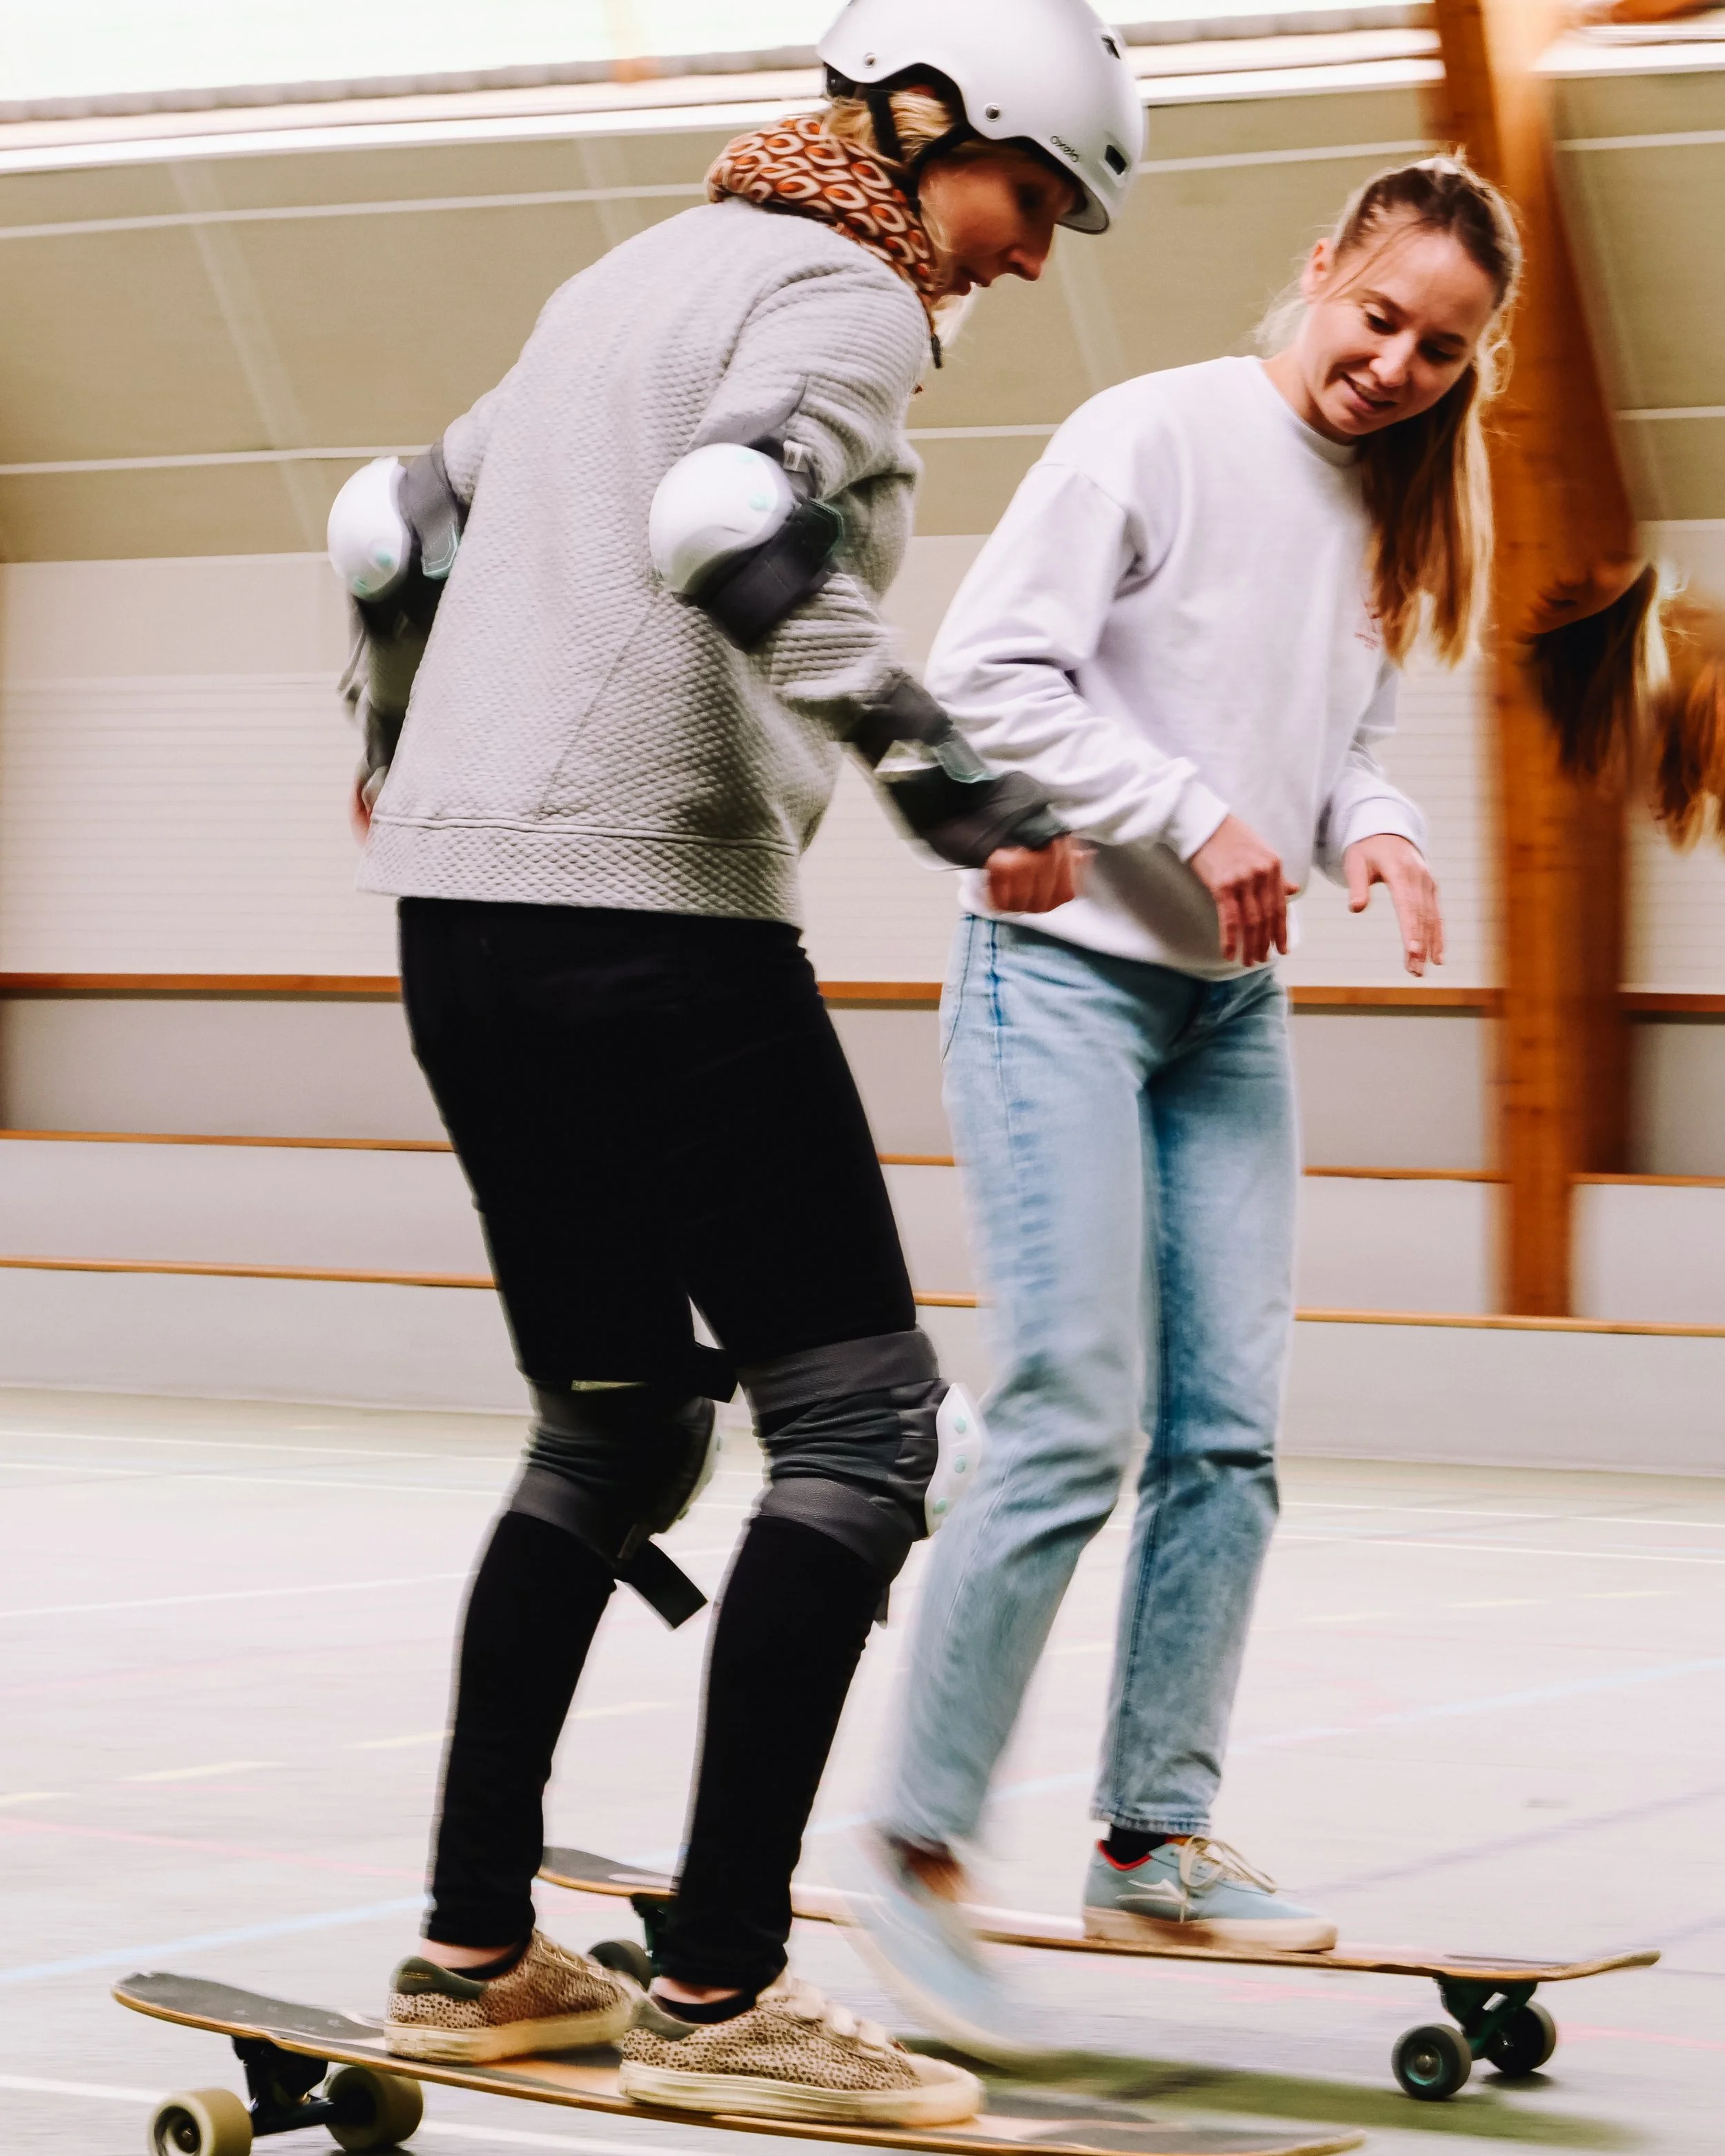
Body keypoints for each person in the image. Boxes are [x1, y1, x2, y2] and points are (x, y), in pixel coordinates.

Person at [335, 0, 1144, 2124]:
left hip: (460, 923)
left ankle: (471, 1952)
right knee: (862, 1427)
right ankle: (720, 1994)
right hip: (654, 925)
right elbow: (720, 514)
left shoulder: (622, 278)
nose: (1029, 249)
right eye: (1028, 194)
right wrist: (948, 781)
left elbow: (387, 521)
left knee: (611, 1428)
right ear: (919, 122)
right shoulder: (841, 290)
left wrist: (393, 740)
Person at [849, 155, 1524, 2048]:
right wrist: (1193, 813)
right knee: (1074, 1413)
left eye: (1440, 349)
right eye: (1377, 316)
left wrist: (1378, 832)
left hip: (1226, 1013)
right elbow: (987, 679)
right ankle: (911, 1849)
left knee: (1226, 1436)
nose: (1395, 365)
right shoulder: (1151, 433)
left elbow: (1344, 742)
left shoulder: (1390, 505)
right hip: (1057, 979)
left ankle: (1152, 1837)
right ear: (1318, 270)